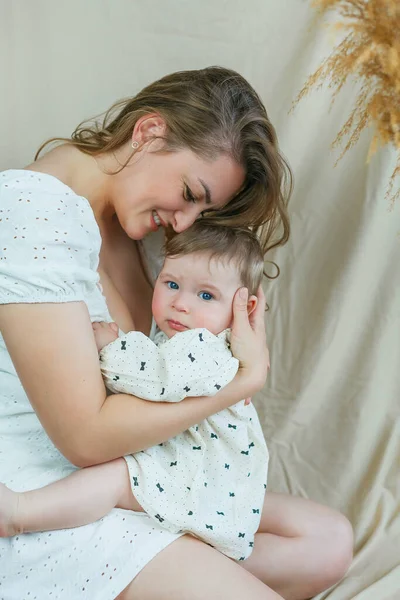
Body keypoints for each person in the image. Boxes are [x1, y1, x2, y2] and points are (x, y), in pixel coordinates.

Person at [0, 66, 352, 600]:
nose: (185, 222)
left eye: (202, 210)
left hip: (141, 471)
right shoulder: (32, 209)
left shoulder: (130, 230)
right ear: (148, 132)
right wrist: (240, 382)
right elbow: (84, 440)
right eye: (190, 192)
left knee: (327, 542)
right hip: (49, 489)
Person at [0, 221, 270, 562]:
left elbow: (158, 379)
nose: (181, 303)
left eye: (205, 295)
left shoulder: (210, 349)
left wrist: (111, 348)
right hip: (188, 466)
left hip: (201, 479)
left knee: (116, 477)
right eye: (171, 284)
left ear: (242, 309)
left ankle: (20, 514)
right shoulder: (184, 334)